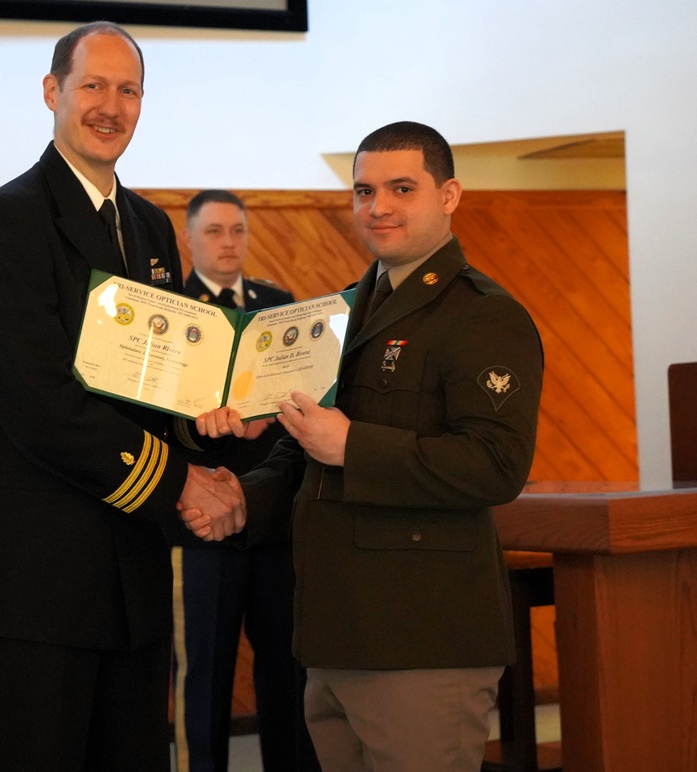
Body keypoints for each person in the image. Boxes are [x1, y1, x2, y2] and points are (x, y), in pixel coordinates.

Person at [189, 121, 544, 771]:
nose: (377, 206)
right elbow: (303, 452)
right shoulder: (341, 314)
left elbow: (496, 466)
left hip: (422, 642)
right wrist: (244, 497)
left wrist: (355, 444)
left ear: (449, 195)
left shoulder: (485, 315)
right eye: (363, 190)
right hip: (333, 634)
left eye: (401, 188)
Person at [0, 22, 245, 771]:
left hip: (130, 582)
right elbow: (42, 406)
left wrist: (214, 419)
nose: (111, 106)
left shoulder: (145, 225)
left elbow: (162, 383)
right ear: (52, 92)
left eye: (129, 89)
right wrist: (182, 484)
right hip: (36, 588)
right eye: (93, 86)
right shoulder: (5, 224)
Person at [169, 190, 320, 772]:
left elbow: (302, 405)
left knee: (288, 668)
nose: (228, 242)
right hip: (199, 521)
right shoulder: (172, 309)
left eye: (237, 230)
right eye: (213, 232)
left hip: (273, 520)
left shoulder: (278, 306)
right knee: (202, 672)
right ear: (189, 238)